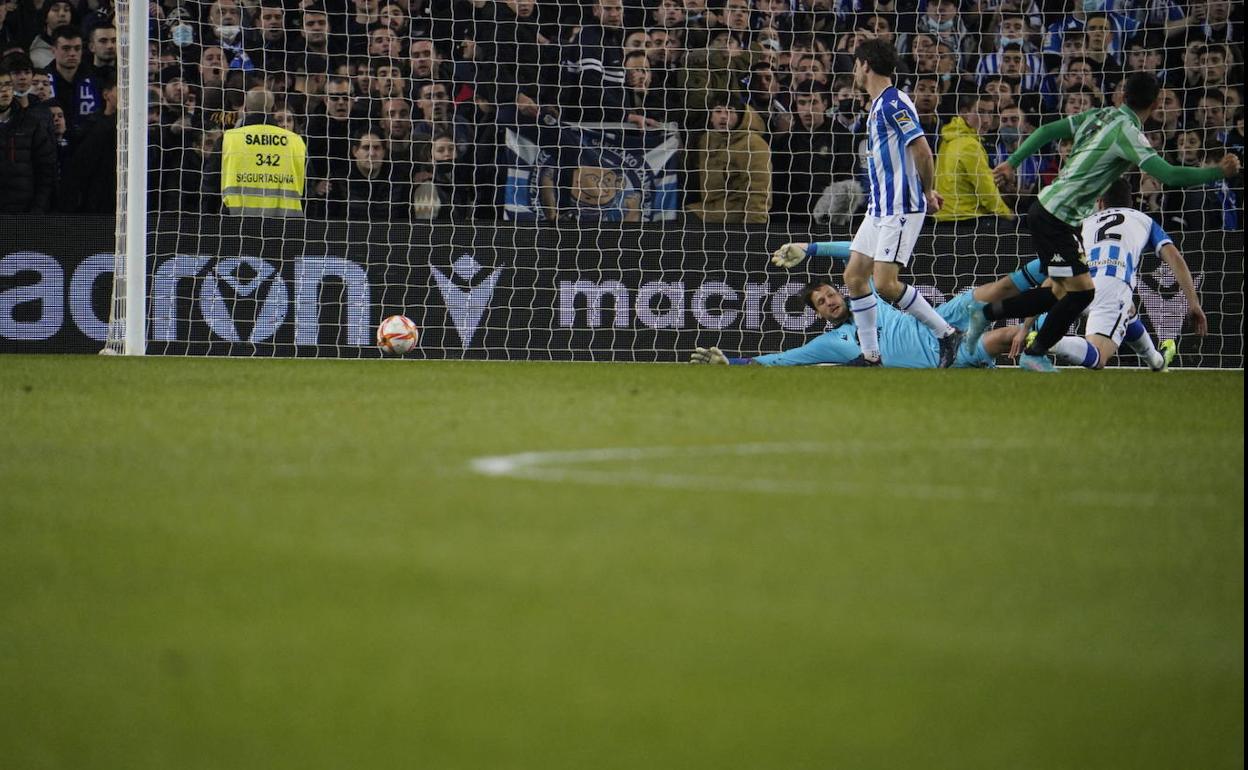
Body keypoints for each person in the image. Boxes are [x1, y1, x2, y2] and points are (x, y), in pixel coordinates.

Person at [969, 72, 1240, 372]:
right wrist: (1218, 172)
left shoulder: (1098, 115)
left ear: (1122, 96)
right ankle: (1034, 348)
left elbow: (1046, 129)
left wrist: (1012, 162)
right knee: (1083, 299)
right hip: (1058, 217)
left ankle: (991, 317)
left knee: (1059, 291)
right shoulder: (1131, 140)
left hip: (1051, 210)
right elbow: (1170, 175)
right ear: (1156, 104)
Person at [773, 39, 962, 368]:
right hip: (879, 208)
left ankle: (946, 333)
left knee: (886, 284)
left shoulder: (893, 103)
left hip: (900, 206)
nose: (855, 72)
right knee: (854, 277)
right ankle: (871, 354)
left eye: (856, 65)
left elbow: (922, 150)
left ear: (865, 65)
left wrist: (928, 192)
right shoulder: (877, 105)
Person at [692, 241, 1042, 368]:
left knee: (1001, 288)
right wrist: (731, 362)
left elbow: (859, 253)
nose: (829, 301)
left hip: (936, 320)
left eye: (830, 294)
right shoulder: (832, 343)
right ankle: (1050, 342)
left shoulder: (865, 293)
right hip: (940, 358)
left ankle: (1059, 262)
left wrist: (810, 249)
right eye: (821, 303)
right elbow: (782, 360)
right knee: (1005, 337)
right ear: (818, 314)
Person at [1041, 180, 1203, 371]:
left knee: (1128, 309)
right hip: (1111, 285)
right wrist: (1193, 303)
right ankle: (1047, 341)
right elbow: (1175, 258)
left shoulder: (1086, 222)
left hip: (1077, 285)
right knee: (1098, 356)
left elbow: (1063, 263)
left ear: (1100, 202)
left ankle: (1157, 362)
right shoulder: (1143, 219)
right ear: (1131, 203)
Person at [219, 89, 307, 216]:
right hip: (287, 222)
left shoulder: (229, 139)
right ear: (272, 110)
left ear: (245, 109)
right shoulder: (296, 142)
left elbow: (211, 183)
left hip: (237, 221)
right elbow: (309, 187)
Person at [688, 96, 771, 224]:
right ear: (710, 117)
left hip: (738, 210)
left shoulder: (753, 144)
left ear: (740, 116)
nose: (723, 116)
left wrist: (754, 226)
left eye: (730, 111)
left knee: (683, 219)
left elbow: (759, 189)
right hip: (712, 207)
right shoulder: (706, 140)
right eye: (718, 111)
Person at [934, 93, 1014, 222]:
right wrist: (1009, 215)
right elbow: (987, 193)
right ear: (964, 113)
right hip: (967, 219)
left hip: (943, 216)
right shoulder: (970, 145)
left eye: (990, 113)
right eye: (980, 112)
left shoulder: (948, 138)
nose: (986, 120)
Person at [0, 62, 57, 213]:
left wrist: (37, 210)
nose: (4, 90)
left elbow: (46, 172)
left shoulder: (32, 124)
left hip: (24, 214)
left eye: (7, 85)